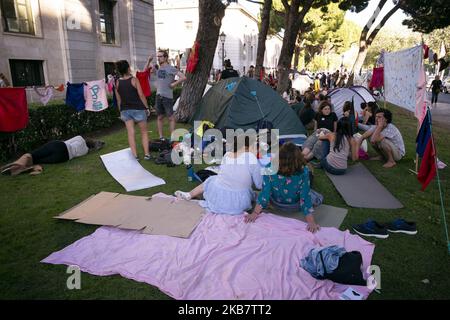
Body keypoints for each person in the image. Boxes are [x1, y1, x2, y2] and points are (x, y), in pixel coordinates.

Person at [174, 134, 263, 215]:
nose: (256, 148)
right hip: (238, 202)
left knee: (212, 179)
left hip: (218, 196)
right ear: (246, 147)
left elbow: (225, 173)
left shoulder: (227, 154)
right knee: (255, 192)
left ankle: (190, 194)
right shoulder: (252, 158)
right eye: (254, 146)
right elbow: (259, 185)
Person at [244, 142, 319, 233]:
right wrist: (311, 222)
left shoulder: (269, 167)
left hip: (275, 203)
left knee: (268, 189)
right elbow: (305, 197)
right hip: (295, 206)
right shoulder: (304, 171)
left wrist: (255, 213)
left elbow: (265, 193)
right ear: (298, 158)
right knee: (315, 196)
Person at [1, 136, 105, 176]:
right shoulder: (86, 152)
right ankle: (20, 169)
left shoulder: (80, 138)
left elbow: (66, 141)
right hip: (62, 158)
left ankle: (16, 165)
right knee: (37, 160)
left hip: (60, 146)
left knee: (32, 155)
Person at [115, 59, 152, 160]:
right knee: (144, 132)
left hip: (125, 110)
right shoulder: (134, 80)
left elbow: (119, 100)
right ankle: (147, 155)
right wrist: (147, 107)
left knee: (131, 133)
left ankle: (135, 156)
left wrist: (121, 112)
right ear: (127, 68)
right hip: (138, 109)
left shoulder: (117, 82)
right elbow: (141, 95)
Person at [153, 50, 186, 140]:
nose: (158, 58)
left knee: (171, 117)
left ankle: (172, 137)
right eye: (158, 57)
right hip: (158, 96)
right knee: (159, 117)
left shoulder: (171, 68)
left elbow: (183, 77)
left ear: (165, 57)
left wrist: (174, 84)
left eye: (160, 56)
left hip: (167, 97)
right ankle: (161, 137)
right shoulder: (159, 69)